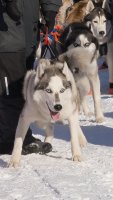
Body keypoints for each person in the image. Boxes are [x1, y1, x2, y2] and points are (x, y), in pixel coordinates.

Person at [0, 0, 62, 154]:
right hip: (5, 33)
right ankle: (8, 139)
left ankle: (20, 135)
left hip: (28, 30)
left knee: (24, 87)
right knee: (9, 89)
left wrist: (50, 9)